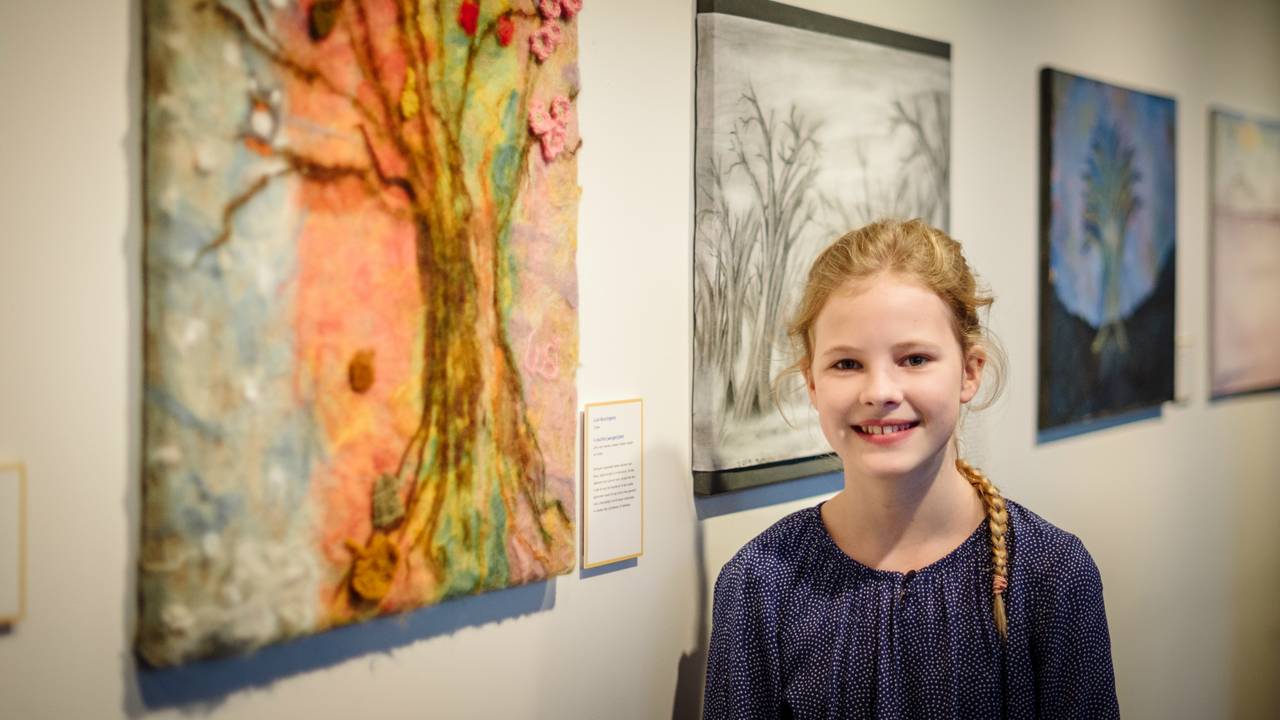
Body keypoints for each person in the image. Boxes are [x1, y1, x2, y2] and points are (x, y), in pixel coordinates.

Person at [703, 219, 1119, 718]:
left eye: (914, 359)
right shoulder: (759, 584)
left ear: (969, 371)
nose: (880, 392)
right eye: (847, 364)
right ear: (812, 383)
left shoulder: (1052, 575)